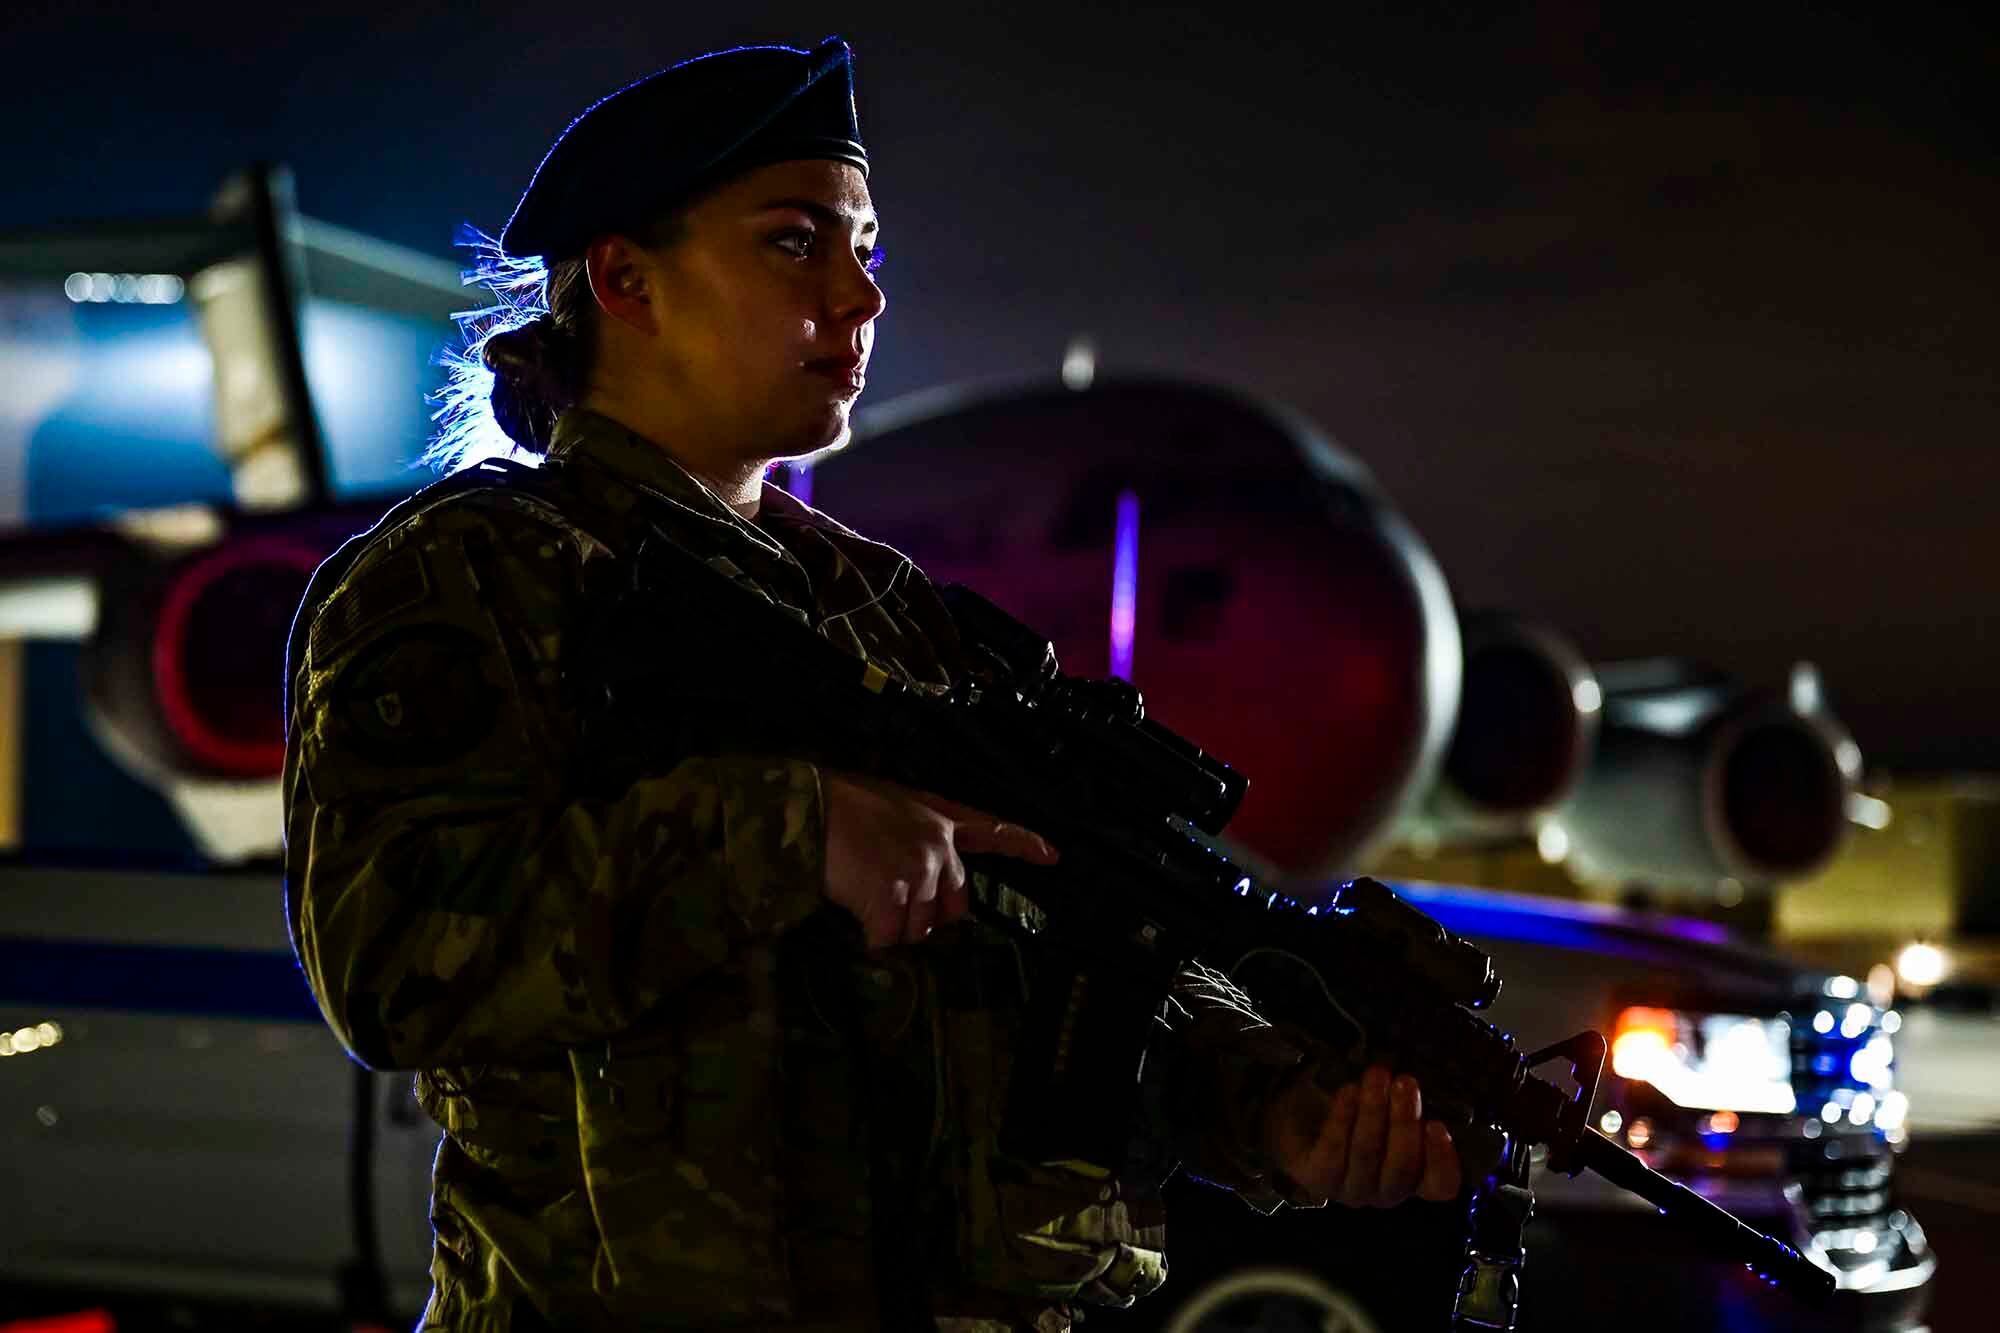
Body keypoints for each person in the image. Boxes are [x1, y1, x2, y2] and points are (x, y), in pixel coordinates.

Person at [282, 37, 1460, 1333]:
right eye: (797, 243)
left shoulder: (894, 618)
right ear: (623, 277)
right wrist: (790, 832)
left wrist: (1275, 1107)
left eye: (868, 248)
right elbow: (394, 959)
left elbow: (1075, 948)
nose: (861, 297)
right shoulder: (473, 579)